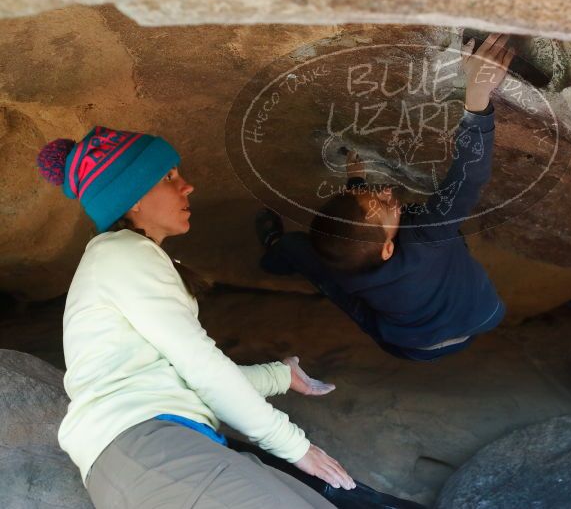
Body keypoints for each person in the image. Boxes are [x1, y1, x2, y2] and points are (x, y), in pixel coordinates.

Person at [36, 127, 356, 508]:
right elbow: (201, 365)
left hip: (161, 449)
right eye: (169, 177)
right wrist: (295, 446)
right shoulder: (121, 254)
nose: (188, 187)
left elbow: (185, 374)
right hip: (148, 446)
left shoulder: (130, 257)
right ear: (132, 197)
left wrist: (279, 375)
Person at [258, 33, 514, 361]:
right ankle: (276, 251)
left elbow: (354, 230)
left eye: (371, 195)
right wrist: (477, 94)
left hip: (409, 343)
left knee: (302, 251)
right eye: (384, 206)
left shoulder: (350, 267)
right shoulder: (428, 237)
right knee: (445, 234)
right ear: (388, 248)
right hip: (479, 317)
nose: (387, 193)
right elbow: (468, 178)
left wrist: (356, 182)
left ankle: (274, 252)